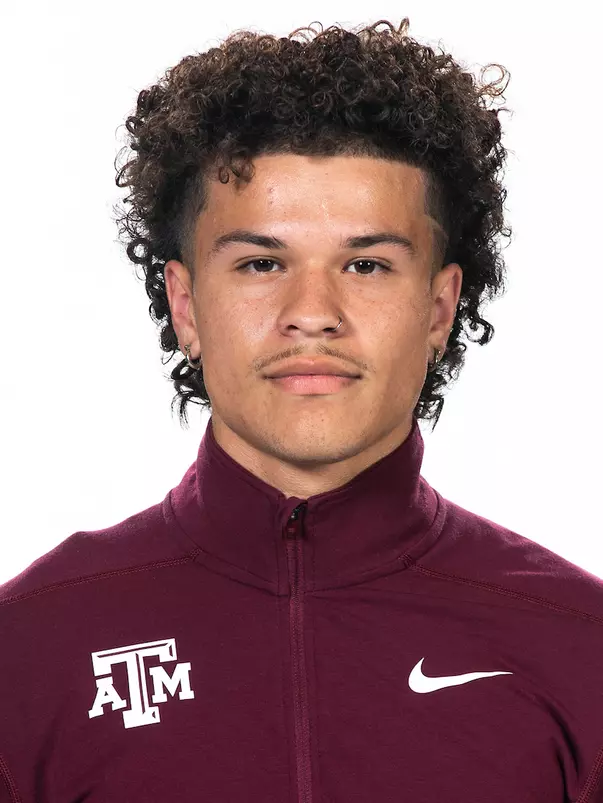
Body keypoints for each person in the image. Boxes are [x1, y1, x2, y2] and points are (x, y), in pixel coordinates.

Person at [1, 18, 602, 803]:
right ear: (185, 304)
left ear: (438, 305)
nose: (311, 311)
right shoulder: (29, 647)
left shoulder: (577, 644)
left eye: (365, 263)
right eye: (260, 262)